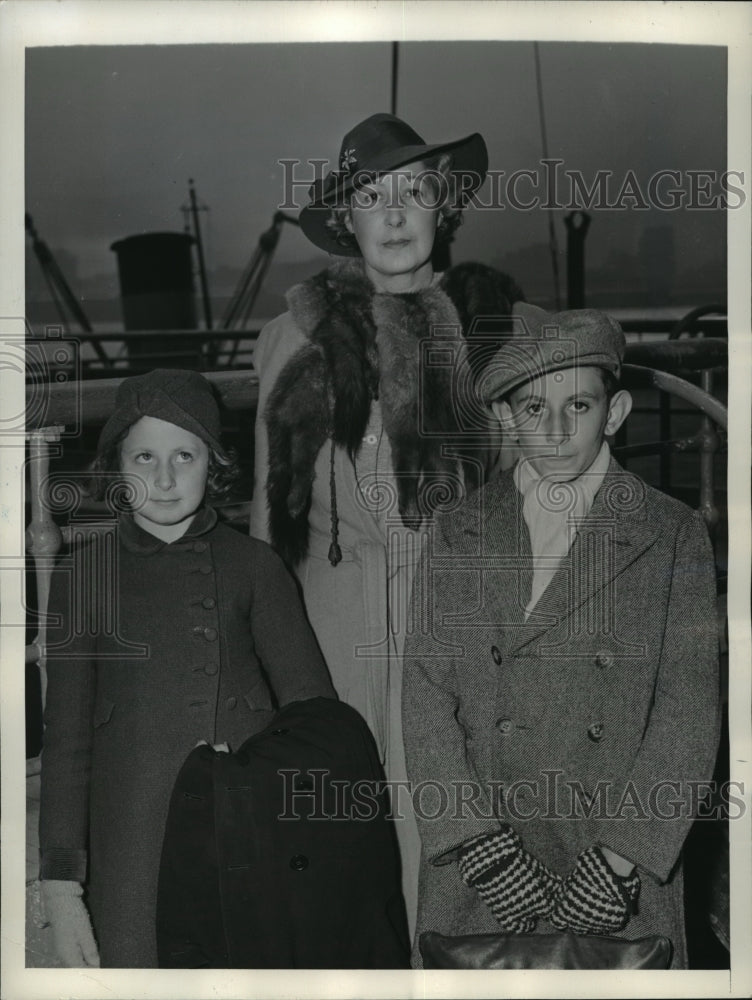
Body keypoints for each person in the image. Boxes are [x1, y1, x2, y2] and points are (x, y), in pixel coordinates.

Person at [249, 112, 523, 936]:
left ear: (444, 209)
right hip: (333, 645)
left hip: (462, 638)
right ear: (348, 221)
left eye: (415, 192)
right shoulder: (291, 340)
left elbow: (536, 502)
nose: (396, 214)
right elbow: (270, 518)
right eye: (373, 197)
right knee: (350, 861)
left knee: (463, 858)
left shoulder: (496, 331)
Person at [402, 303, 721, 968]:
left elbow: (687, 715)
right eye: (531, 410)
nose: (553, 432)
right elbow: (426, 695)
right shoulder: (459, 528)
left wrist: (625, 855)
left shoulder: (672, 531)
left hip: (613, 857)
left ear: (617, 412)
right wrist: (476, 843)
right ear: (504, 418)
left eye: (577, 407)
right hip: (483, 857)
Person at [38, 369, 336, 968]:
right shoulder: (83, 575)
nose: (165, 478)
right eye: (145, 456)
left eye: (185, 455)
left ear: (215, 463)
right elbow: (66, 743)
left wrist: (255, 772)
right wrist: (62, 888)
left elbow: (315, 721)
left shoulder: (254, 565)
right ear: (117, 466)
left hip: (243, 832)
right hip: (130, 849)